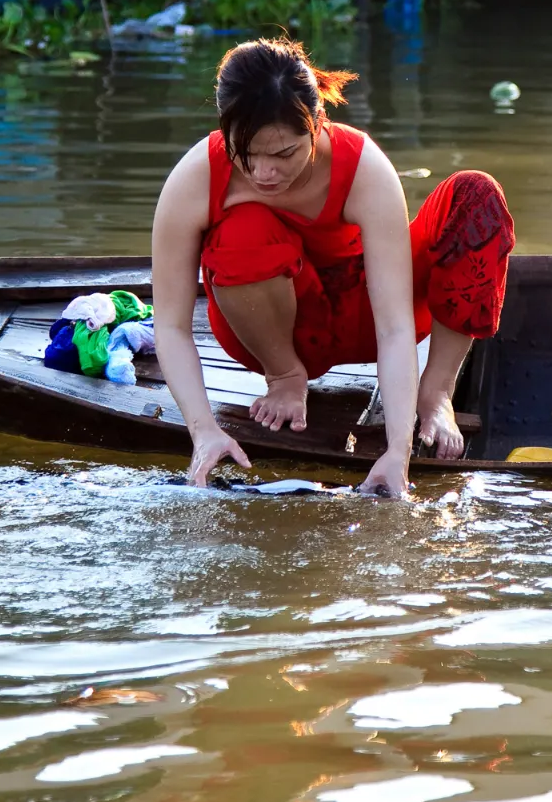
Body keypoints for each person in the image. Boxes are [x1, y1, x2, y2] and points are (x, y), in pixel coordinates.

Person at [151, 38, 515, 498]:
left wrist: (397, 451)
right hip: (267, 327)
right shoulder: (196, 177)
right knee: (242, 230)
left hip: (362, 315)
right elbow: (171, 326)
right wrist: (203, 430)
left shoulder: (363, 167)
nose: (263, 173)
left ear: (317, 121)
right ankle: (286, 377)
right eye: (246, 153)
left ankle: (436, 392)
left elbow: (394, 327)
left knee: (476, 193)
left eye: (283, 154)